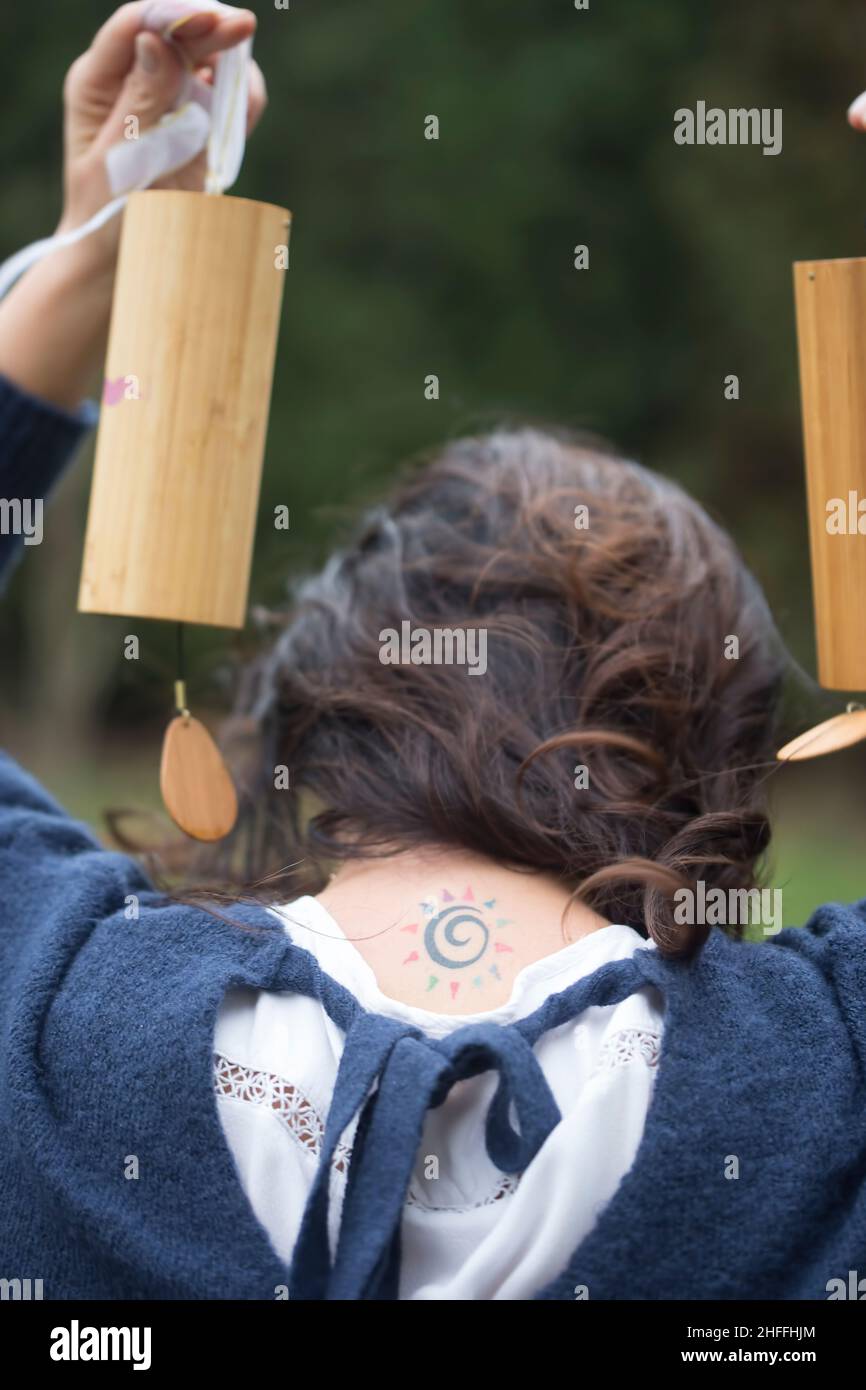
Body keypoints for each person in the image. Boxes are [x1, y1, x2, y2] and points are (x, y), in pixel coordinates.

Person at [1, 2, 865, 1302]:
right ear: (717, 743)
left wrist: (91, 265)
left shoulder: (56, 1012)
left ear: (317, 691)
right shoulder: (826, 1078)